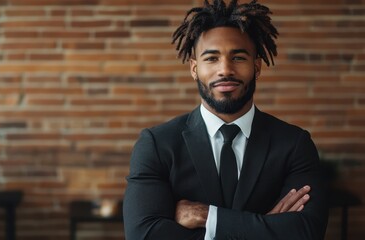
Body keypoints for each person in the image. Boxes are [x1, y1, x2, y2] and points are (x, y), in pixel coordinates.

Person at [123, 0, 328, 239]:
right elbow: (143, 234)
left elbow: (306, 232)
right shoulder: (157, 145)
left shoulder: (294, 144)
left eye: (238, 57)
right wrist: (264, 227)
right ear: (194, 68)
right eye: (211, 58)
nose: (225, 70)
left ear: (257, 66)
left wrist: (207, 217)